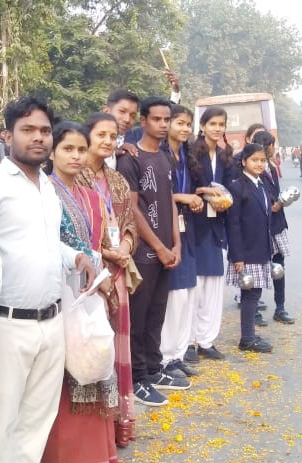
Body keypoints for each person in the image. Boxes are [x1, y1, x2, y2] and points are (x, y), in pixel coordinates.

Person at [0, 97, 97, 463]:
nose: (38, 137)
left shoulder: (46, 185)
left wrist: (74, 257)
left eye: (45, 130)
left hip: (51, 321)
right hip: (7, 324)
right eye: (27, 130)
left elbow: (45, 241)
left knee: (37, 420)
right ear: (8, 135)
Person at [41, 121, 120, 463]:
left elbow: (96, 243)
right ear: (52, 152)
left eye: (80, 150)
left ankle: (95, 453)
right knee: (63, 370)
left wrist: (100, 274)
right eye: (67, 149)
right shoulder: (44, 192)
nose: (75, 156)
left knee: (91, 361)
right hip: (59, 291)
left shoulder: (89, 195)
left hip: (89, 289)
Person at [117, 96, 187, 408]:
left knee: (157, 313)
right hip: (143, 251)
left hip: (165, 250)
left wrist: (176, 244)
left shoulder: (165, 157)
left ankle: (154, 368)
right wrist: (158, 246)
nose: (162, 124)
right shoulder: (130, 159)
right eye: (156, 119)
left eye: (166, 119)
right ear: (143, 121)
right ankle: (137, 378)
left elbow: (169, 200)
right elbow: (132, 208)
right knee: (139, 316)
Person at [75, 112, 139, 447]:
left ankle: (118, 423)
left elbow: (128, 222)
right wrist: (107, 253)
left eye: (113, 136)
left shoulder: (116, 179)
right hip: (91, 274)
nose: (108, 141)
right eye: (101, 134)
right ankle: (92, 427)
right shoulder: (74, 175)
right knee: (92, 346)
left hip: (118, 272)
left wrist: (125, 247)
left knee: (118, 346)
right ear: (87, 136)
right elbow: (75, 229)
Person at [186, 107, 234, 365]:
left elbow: (230, 187)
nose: (217, 128)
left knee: (214, 284)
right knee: (193, 286)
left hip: (217, 225)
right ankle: (188, 342)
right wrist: (202, 192)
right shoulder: (191, 152)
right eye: (212, 123)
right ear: (202, 126)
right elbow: (184, 186)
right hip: (194, 223)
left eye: (221, 124)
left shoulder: (226, 156)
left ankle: (206, 340)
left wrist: (225, 199)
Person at [159, 104, 201, 380]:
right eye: (179, 123)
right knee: (174, 297)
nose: (185, 128)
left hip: (186, 228)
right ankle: (164, 357)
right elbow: (154, 195)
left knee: (188, 294)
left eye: (188, 124)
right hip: (166, 229)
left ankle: (178, 353)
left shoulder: (186, 154)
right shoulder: (160, 154)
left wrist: (197, 194)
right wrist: (182, 197)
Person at [225, 143, 274, 353]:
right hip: (246, 251)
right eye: (255, 160)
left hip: (261, 248)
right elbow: (233, 225)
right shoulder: (236, 187)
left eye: (262, 160)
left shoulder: (262, 184)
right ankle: (247, 338)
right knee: (250, 295)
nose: (259, 164)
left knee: (255, 293)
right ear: (244, 161)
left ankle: (249, 334)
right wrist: (237, 256)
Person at [251, 131, 296, 326]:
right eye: (271, 145)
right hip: (260, 225)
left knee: (279, 267)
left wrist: (281, 201)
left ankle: (280, 308)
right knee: (258, 268)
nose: (273, 148)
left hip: (277, 224)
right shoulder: (252, 169)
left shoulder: (272, 166)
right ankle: (253, 311)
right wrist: (272, 204)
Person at [101, 90, 141, 169]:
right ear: (106, 111)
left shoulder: (126, 144)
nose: (127, 120)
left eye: (133, 116)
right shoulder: (86, 139)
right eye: (122, 111)